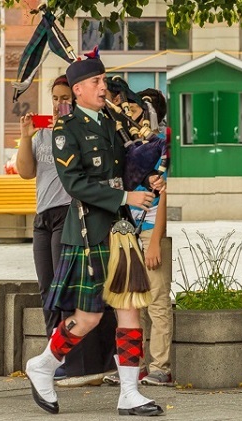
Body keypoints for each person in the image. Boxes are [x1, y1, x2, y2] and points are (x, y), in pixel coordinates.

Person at [24, 50, 166, 416]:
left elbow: (124, 167)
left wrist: (145, 179)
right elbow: (75, 184)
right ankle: (42, 365)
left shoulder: (110, 122)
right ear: (78, 90)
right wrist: (124, 194)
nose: (104, 87)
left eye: (103, 81)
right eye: (97, 82)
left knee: (130, 309)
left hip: (120, 229)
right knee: (88, 318)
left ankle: (129, 393)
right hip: (89, 231)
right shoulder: (64, 131)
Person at [16, 75, 117, 387]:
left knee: (68, 292)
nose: (60, 104)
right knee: (48, 290)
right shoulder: (44, 133)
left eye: (65, 98)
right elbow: (25, 171)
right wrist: (25, 136)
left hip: (70, 215)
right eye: (55, 98)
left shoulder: (79, 131)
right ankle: (53, 357)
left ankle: (73, 361)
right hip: (43, 216)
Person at [104, 88, 172, 388]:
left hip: (150, 234)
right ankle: (136, 366)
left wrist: (155, 240)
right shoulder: (130, 145)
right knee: (134, 302)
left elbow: (164, 196)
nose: (127, 114)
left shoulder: (162, 148)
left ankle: (160, 366)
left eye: (133, 110)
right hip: (127, 231)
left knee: (156, 301)